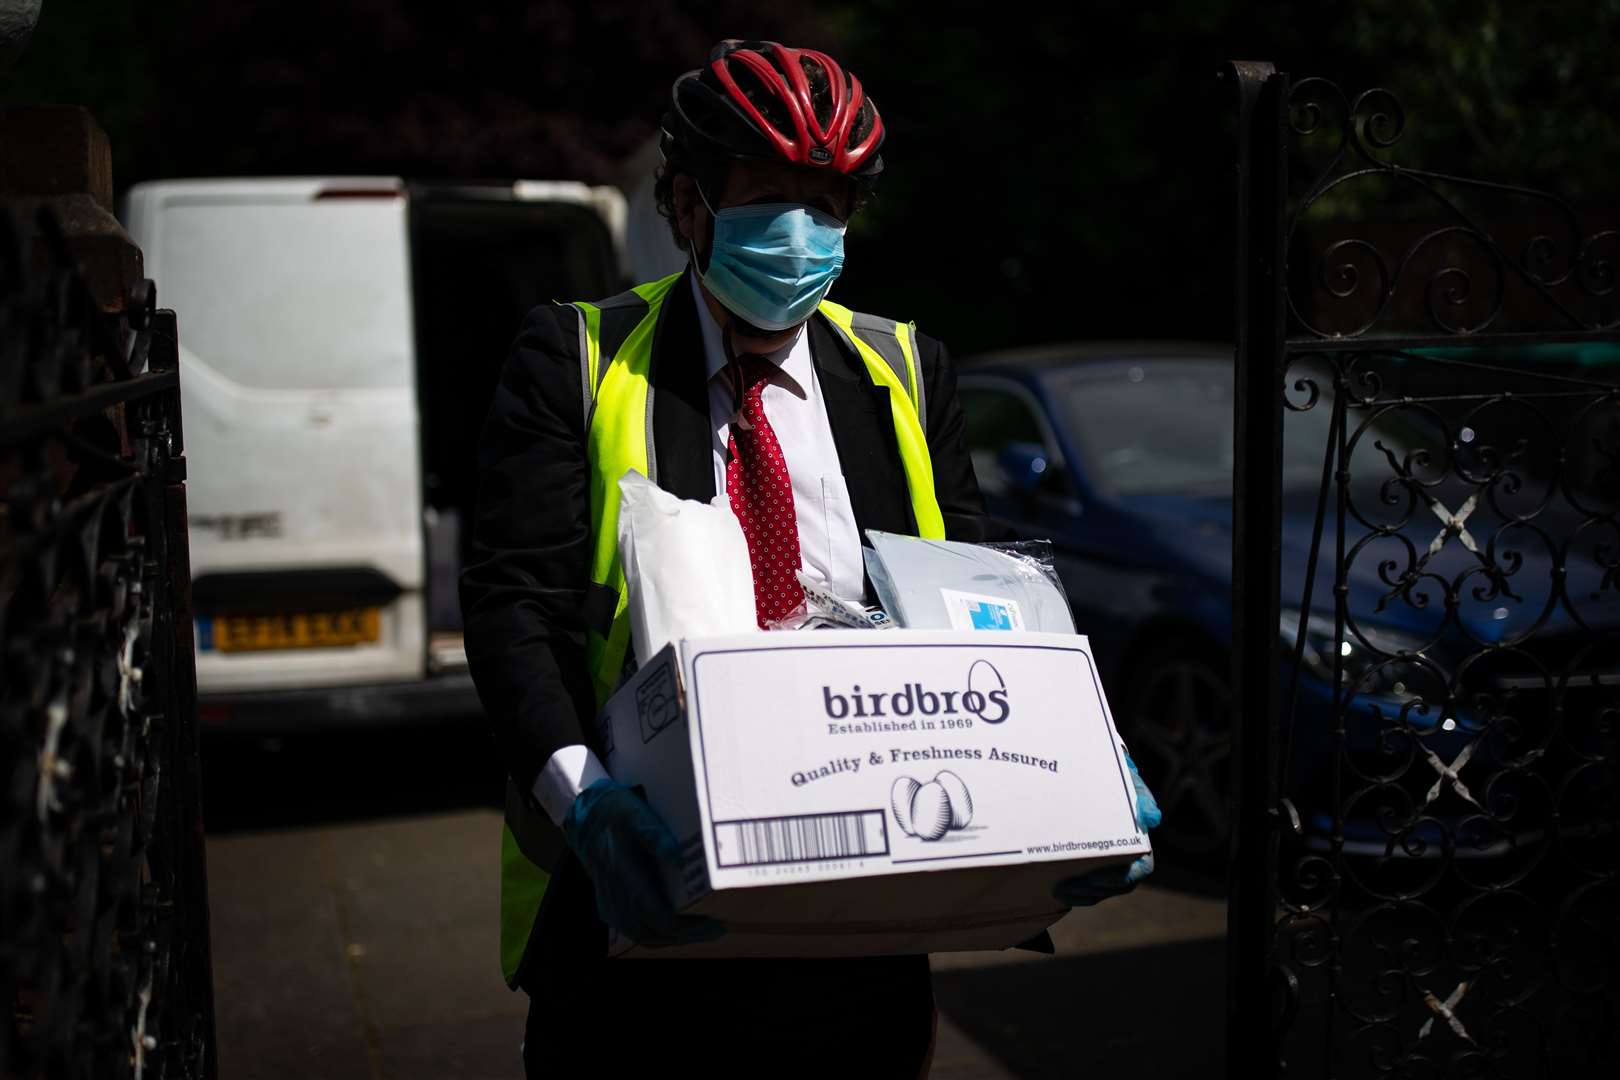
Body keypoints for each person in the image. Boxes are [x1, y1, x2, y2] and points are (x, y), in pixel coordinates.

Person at [461, 39, 1161, 1078]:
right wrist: (586, 805)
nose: (802, 233)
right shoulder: (574, 357)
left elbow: (982, 596)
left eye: (828, 205)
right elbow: (514, 606)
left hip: (860, 927)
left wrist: (1086, 761)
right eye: (770, 199)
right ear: (687, 204)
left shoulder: (905, 370)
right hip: (639, 919)